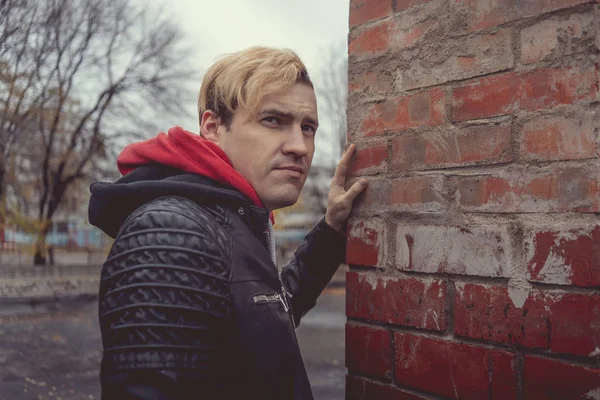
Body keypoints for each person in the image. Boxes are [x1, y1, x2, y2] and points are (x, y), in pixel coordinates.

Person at [88, 46, 367, 400]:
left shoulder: (233, 217)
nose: (299, 145)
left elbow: (263, 318)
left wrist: (331, 228)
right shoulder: (172, 231)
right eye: (273, 120)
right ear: (213, 127)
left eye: (308, 127)